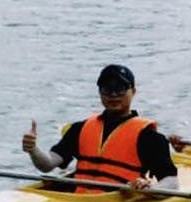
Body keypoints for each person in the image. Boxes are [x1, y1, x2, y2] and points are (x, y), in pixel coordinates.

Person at [22, 64, 179, 193]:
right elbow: (47, 165)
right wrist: (33, 150)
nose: (113, 95)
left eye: (120, 89)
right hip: (77, 201)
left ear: (133, 92)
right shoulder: (80, 128)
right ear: (100, 92)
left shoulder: (148, 137)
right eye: (107, 89)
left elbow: (172, 181)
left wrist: (151, 189)